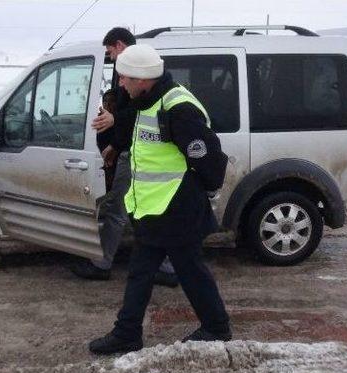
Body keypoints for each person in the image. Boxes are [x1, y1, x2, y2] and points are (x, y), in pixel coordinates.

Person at [88, 44, 232, 355]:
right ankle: (127, 332)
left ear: (142, 78)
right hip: (151, 209)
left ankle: (217, 328)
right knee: (142, 272)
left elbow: (209, 159)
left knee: (190, 271)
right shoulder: (145, 101)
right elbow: (138, 135)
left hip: (177, 208)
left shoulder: (178, 107)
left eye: (125, 78)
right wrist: (114, 143)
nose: (121, 84)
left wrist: (197, 193)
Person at [72, 27, 178, 287]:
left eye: (109, 52)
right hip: (132, 152)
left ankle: (104, 263)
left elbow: (142, 114)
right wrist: (114, 146)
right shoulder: (133, 73)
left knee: (119, 211)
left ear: (119, 45)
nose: (110, 59)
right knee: (139, 214)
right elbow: (132, 118)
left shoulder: (143, 74)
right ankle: (164, 267)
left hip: (140, 156)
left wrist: (115, 120)